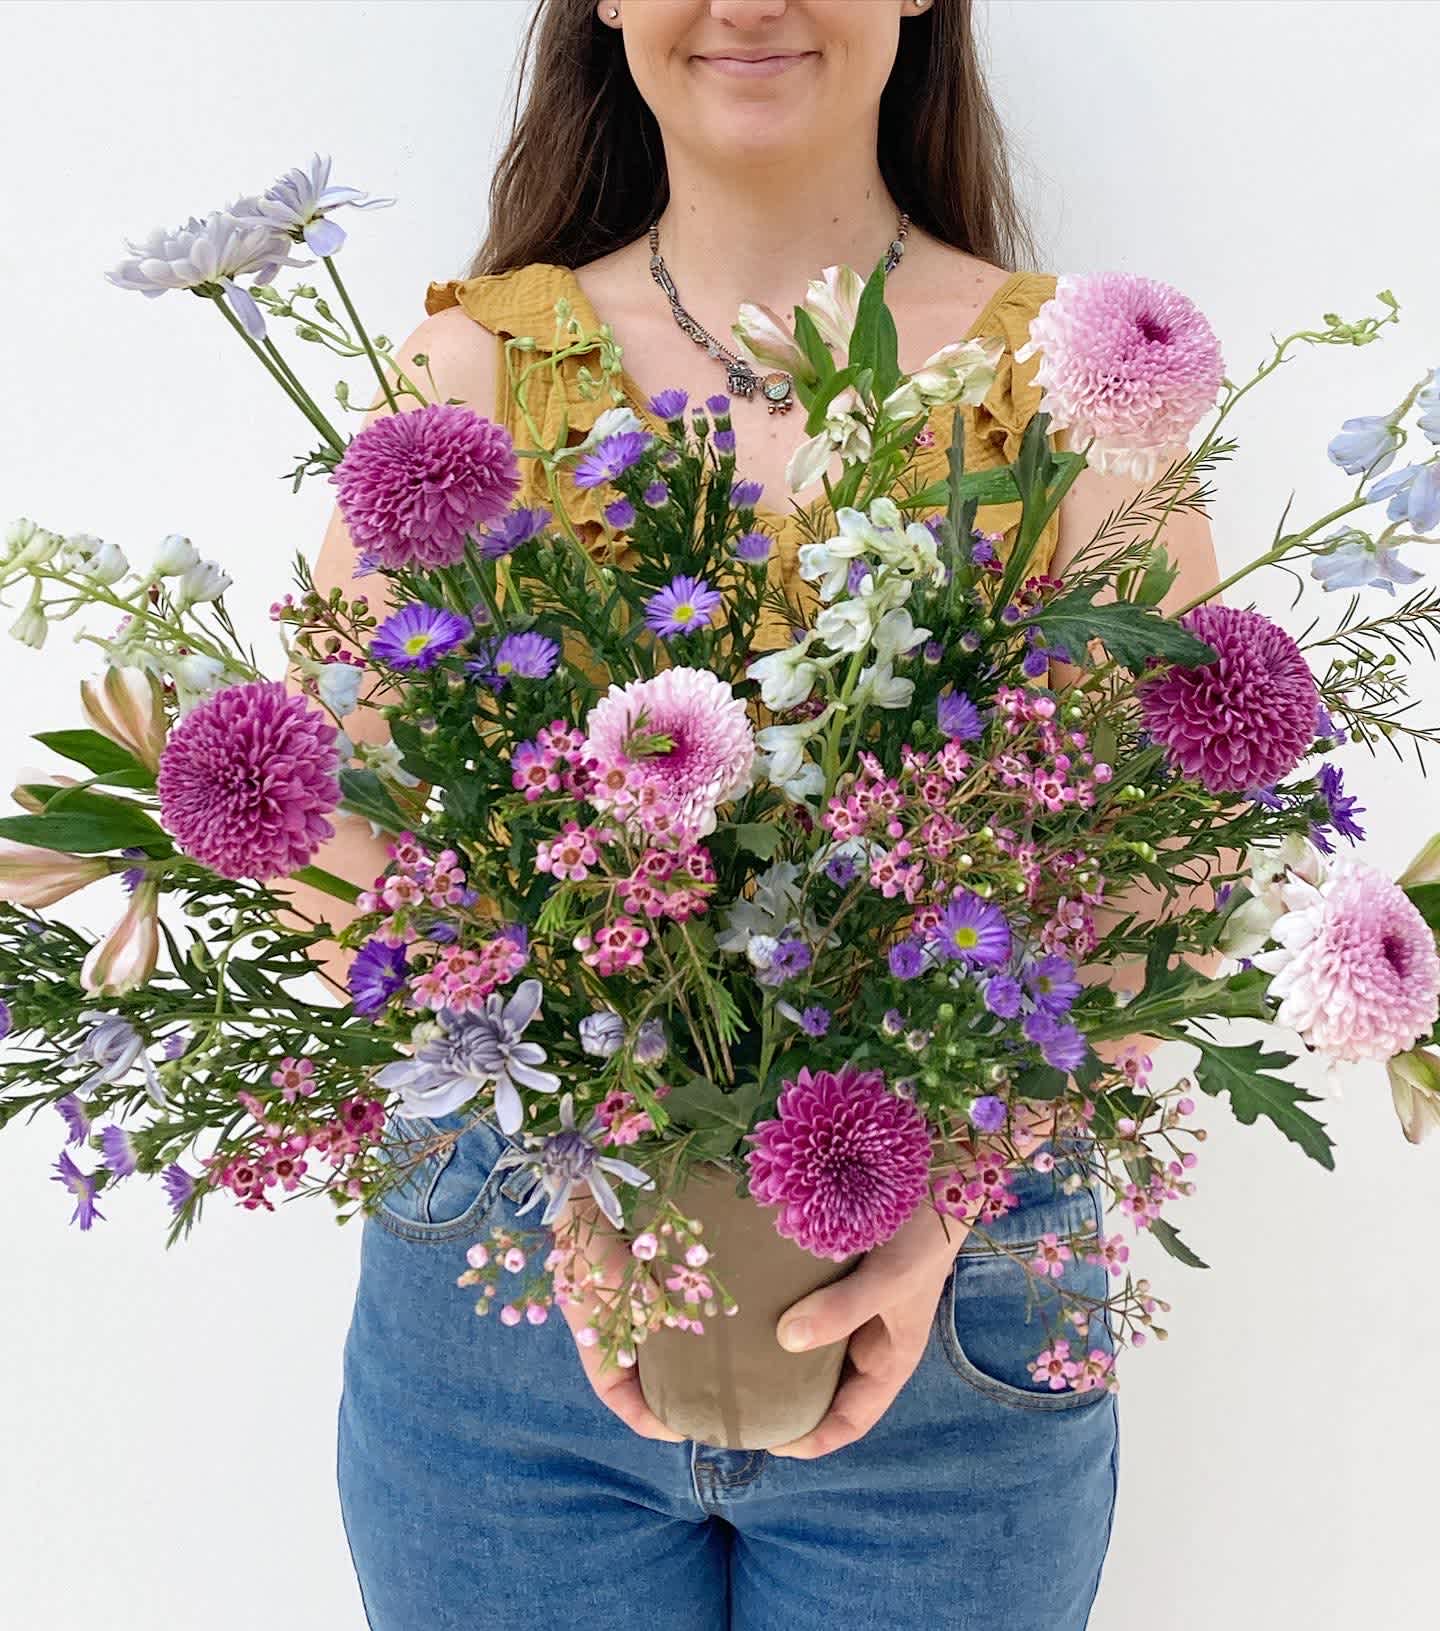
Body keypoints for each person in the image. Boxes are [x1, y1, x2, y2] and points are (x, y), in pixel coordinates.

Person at [294, 4, 1221, 1627]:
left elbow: (1184, 869)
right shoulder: (467, 371)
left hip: (962, 1320)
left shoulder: (1078, 382)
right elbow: (318, 817)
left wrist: (944, 1206)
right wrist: (574, 1168)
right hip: (512, 1309)